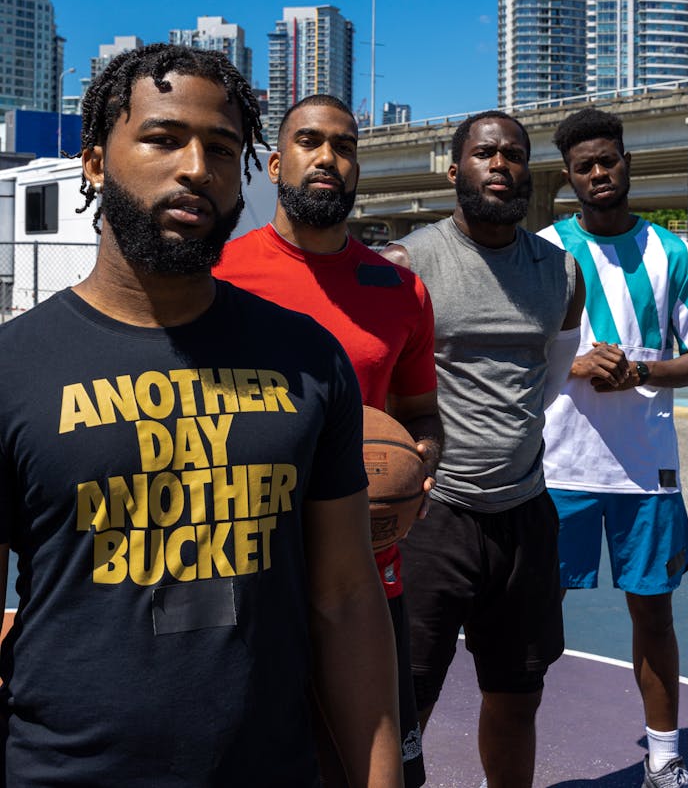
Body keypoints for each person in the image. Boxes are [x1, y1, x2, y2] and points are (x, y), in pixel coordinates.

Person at [0, 45, 402, 787]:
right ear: (94, 163)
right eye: (162, 138)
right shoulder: (14, 367)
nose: (196, 168)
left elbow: (346, 597)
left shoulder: (310, 361)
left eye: (221, 149)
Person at [214, 93, 442, 788]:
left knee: (370, 768)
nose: (328, 157)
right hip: (249, 570)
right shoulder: (217, 277)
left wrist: (420, 470)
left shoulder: (400, 289)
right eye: (310, 141)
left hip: (368, 568)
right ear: (278, 162)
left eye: (343, 146)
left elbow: (421, 415)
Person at [383, 110, 585, 788]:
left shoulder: (561, 273)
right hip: (434, 517)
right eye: (484, 153)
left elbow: (552, 379)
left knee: (517, 696)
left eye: (515, 155)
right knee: (405, 700)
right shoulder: (408, 265)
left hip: (525, 514)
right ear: (454, 169)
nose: (500, 165)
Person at [539, 106, 688, 788]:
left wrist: (641, 370)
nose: (599, 174)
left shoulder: (675, 252)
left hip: (648, 471)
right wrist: (577, 363)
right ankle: (512, 765)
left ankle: (665, 758)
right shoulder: (544, 250)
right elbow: (519, 354)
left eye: (608, 161)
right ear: (569, 175)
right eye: (584, 166)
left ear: (626, 162)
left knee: (654, 612)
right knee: (535, 622)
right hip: (560, 467)